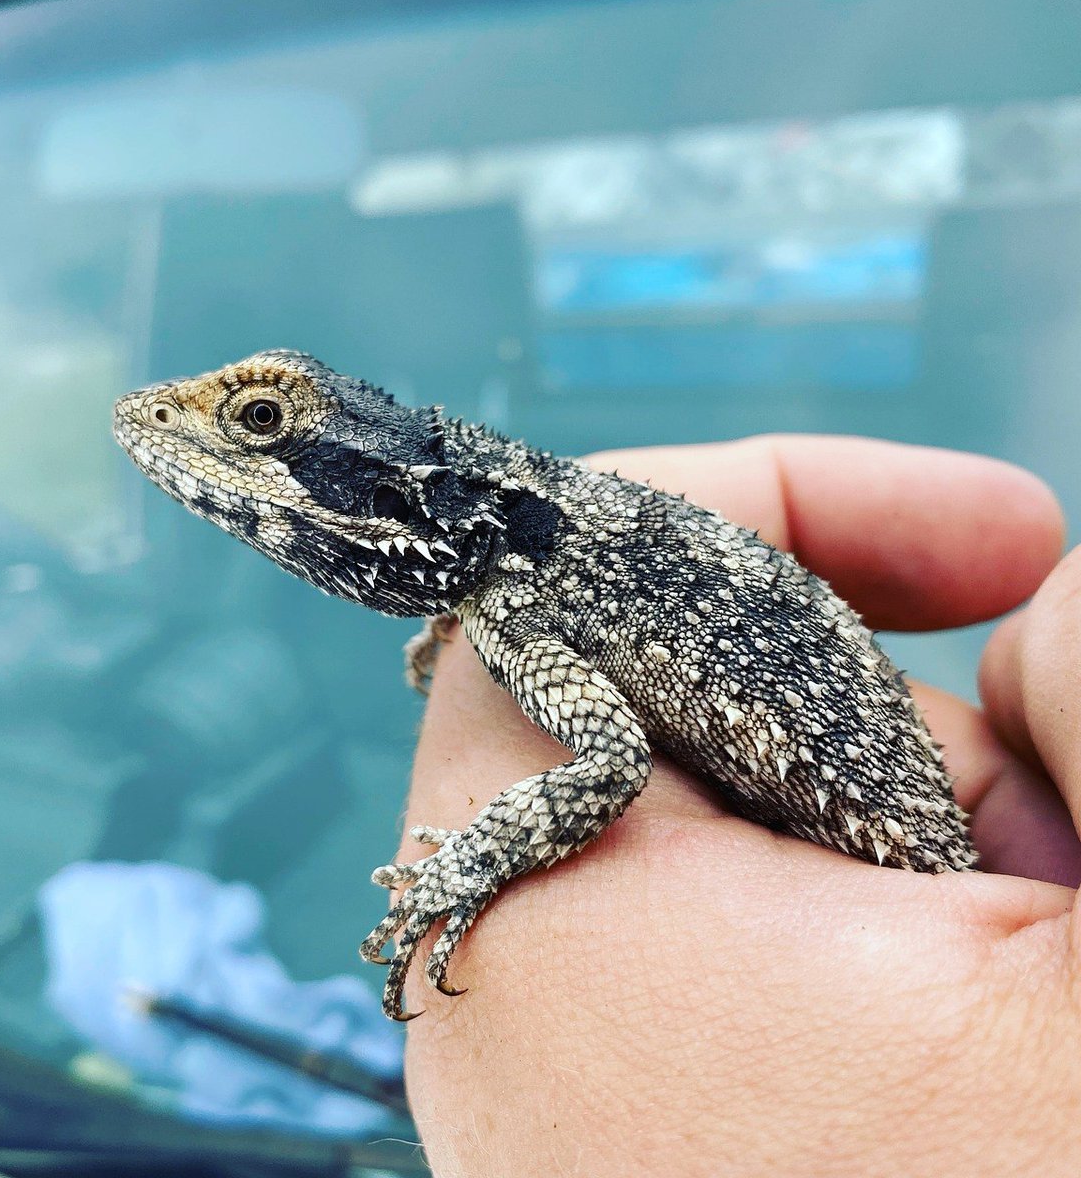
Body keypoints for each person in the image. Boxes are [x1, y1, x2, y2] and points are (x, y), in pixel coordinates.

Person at [395, 436, 1079, 1177]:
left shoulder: (519, 593)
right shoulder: (511, 582)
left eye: (263, 422)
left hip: (904, 859)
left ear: (399, 490)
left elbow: (611, 763)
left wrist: (468, 862)